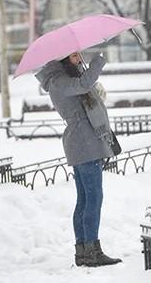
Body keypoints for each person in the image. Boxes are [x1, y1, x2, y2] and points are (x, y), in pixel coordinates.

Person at [35, 52, 122, 267]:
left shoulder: (66, 78)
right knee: (93, 198)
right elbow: (83, 84)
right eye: (74, 55)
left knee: (85, 199)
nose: (78, 57)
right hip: (83, 143)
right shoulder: (59, 81)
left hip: (85, 142)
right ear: (63, 58)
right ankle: (91, 250)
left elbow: (84, 87)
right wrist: (98, 62)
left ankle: (84, 250)